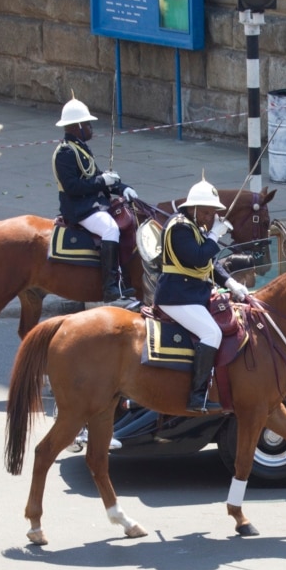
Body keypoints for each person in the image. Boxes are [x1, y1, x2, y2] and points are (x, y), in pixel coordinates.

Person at [154, 177, 249, 412]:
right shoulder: (179, 228)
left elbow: (208, 264)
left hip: (193, 292)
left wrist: (230, 282)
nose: (209, 218)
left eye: (212, 213)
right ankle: (197, 396)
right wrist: (215, 236)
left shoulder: (194, 227)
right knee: (211, 332)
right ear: (193, 208)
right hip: (176, 296)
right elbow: (198, 256)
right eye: (206, 213)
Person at [51, 97, 138, 302]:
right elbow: (73, 187)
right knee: (110, 229)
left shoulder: (79, 147)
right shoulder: (65, 152)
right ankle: (110, 287)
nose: (91, 128)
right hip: (78, 207)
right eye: (88, 125)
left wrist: (122, 188)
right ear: (77, 127)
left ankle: (122, 278)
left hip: (92, 202)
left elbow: (95, 175)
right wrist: (102, 181)